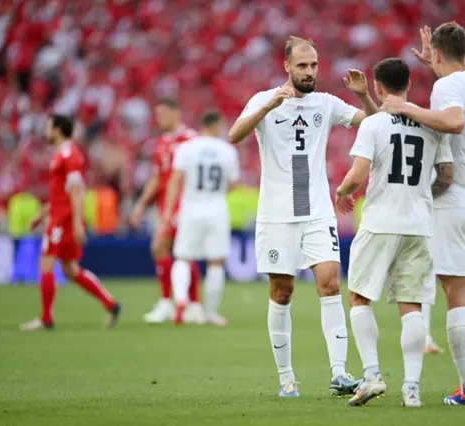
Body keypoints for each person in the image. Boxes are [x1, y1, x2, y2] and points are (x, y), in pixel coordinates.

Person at [228, 36, 379, 398]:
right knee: (282, 292)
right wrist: (268, 107)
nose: (310, 71)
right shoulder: (265, 100)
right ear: (287, 67)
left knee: (330, 284)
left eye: (313, 65)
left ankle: (340, 373)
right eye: (302, 66)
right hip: (277, 215)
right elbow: (234, 135)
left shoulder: (326, 104)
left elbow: (376, 125)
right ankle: (286, 378)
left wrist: (363, 96)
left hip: (316, 213)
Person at [381, 22, 465, 405]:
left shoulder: (445, 88)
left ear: (436, 53)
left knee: (455, 294)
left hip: (457, 201)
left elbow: (454, 121)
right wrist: (436, 67)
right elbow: (462, 104)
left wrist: (406, 107)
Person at [336, 58, 453, 408]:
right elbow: (446, 176)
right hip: (418, 225)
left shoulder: (374, 125)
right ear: (410, 84)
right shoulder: (432, 123)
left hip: (379, 223)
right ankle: (412, 389)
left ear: (379, 88)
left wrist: (343, 192)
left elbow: (358, 175)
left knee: (359, 297)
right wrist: (419, 197)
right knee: (412, 305)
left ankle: (372, 376)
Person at [21, 114, 121, 331]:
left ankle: (46, 318)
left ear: (57, 130)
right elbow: (62, 193)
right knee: (70, 269)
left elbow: (77, 191)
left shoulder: (69, 154)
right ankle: (110, 304)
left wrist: (76, 224)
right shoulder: (63, 154)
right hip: (60, 216)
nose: (45, 132)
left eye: (48, 128)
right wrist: (41, 214)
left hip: (62, 220)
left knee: (46, 264)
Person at [161, 110, 239, 326]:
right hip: (216, 209)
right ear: (214, 126)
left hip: (191, 208)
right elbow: (231, 184)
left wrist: (168, 211)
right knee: (215, 262)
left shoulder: (186, 148)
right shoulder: (227, 151)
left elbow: (175, 180)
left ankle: (181, 301)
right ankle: (211, 313)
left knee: (183, 258)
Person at [130, 98, 203, 324]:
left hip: (185, 205)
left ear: (175, 113)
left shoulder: (191, 140)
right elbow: (156, 177)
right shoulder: (161, 142)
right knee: (181, 253)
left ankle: (169, 302)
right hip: (165, 206)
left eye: (162, 114)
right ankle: (192, 304)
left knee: (162, 247)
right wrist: (141, 204)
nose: (158, 119)